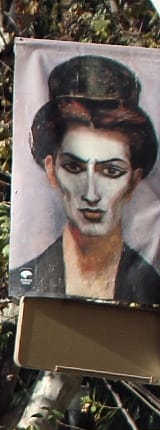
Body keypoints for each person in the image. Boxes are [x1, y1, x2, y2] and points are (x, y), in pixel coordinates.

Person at [13, 54, 160, 306]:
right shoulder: (27, 280)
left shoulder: (152, 286)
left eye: (111, 171)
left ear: (134, 180)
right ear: (51, 170)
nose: (91, 194)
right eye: (74, 167)